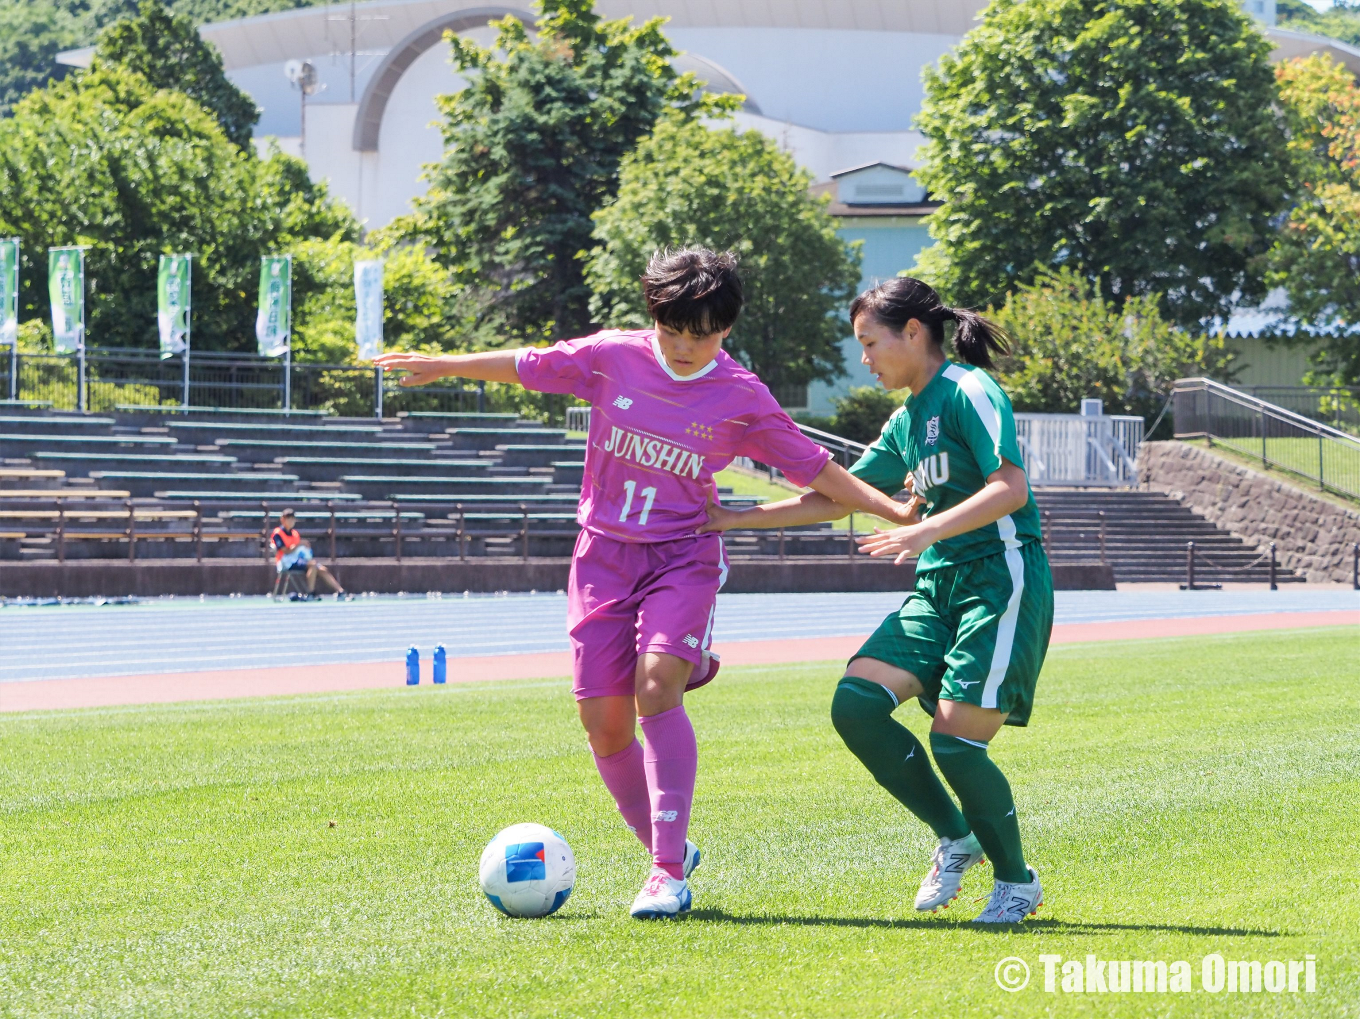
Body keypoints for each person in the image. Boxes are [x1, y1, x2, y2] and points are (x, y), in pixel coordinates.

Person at [374, 248, 919, 919]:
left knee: (655, 685)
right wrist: (445, 364)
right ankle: (670, 844)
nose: (687, 347)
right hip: (601, 558)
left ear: (727, 330)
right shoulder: (610, 356)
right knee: (603, 724)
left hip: (681, 555)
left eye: (705, 335)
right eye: (674, 332)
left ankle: (664, 873)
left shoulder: (741, 395)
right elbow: (527, 365)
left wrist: (892, 509)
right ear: (653, 318)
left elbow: (821, 475)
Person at [700, 277, 1053, 924]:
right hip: (938, 586)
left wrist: (926, 529)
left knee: (954, 744)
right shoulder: (906, 420)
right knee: (857, 703)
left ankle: (1015, 880)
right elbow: (839, 498)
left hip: (1000, 579)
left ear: (913, 333)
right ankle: (958, 835)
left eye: (870, 343)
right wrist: (733, 518)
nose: (864, 360)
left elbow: (1010, 487)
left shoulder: (972, 390)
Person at [270, 509, 347, 600]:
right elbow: (285, 551)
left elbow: (298, 551)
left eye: (292, 519)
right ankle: (311, 593)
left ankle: (341, 591)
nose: (291, 521)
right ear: (282, 519)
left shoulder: (295, 533)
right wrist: (299, 544)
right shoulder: (278, 533)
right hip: (286, 561)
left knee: (322, 569)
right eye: (288, 518)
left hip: (298, 559)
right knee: (312, 565)